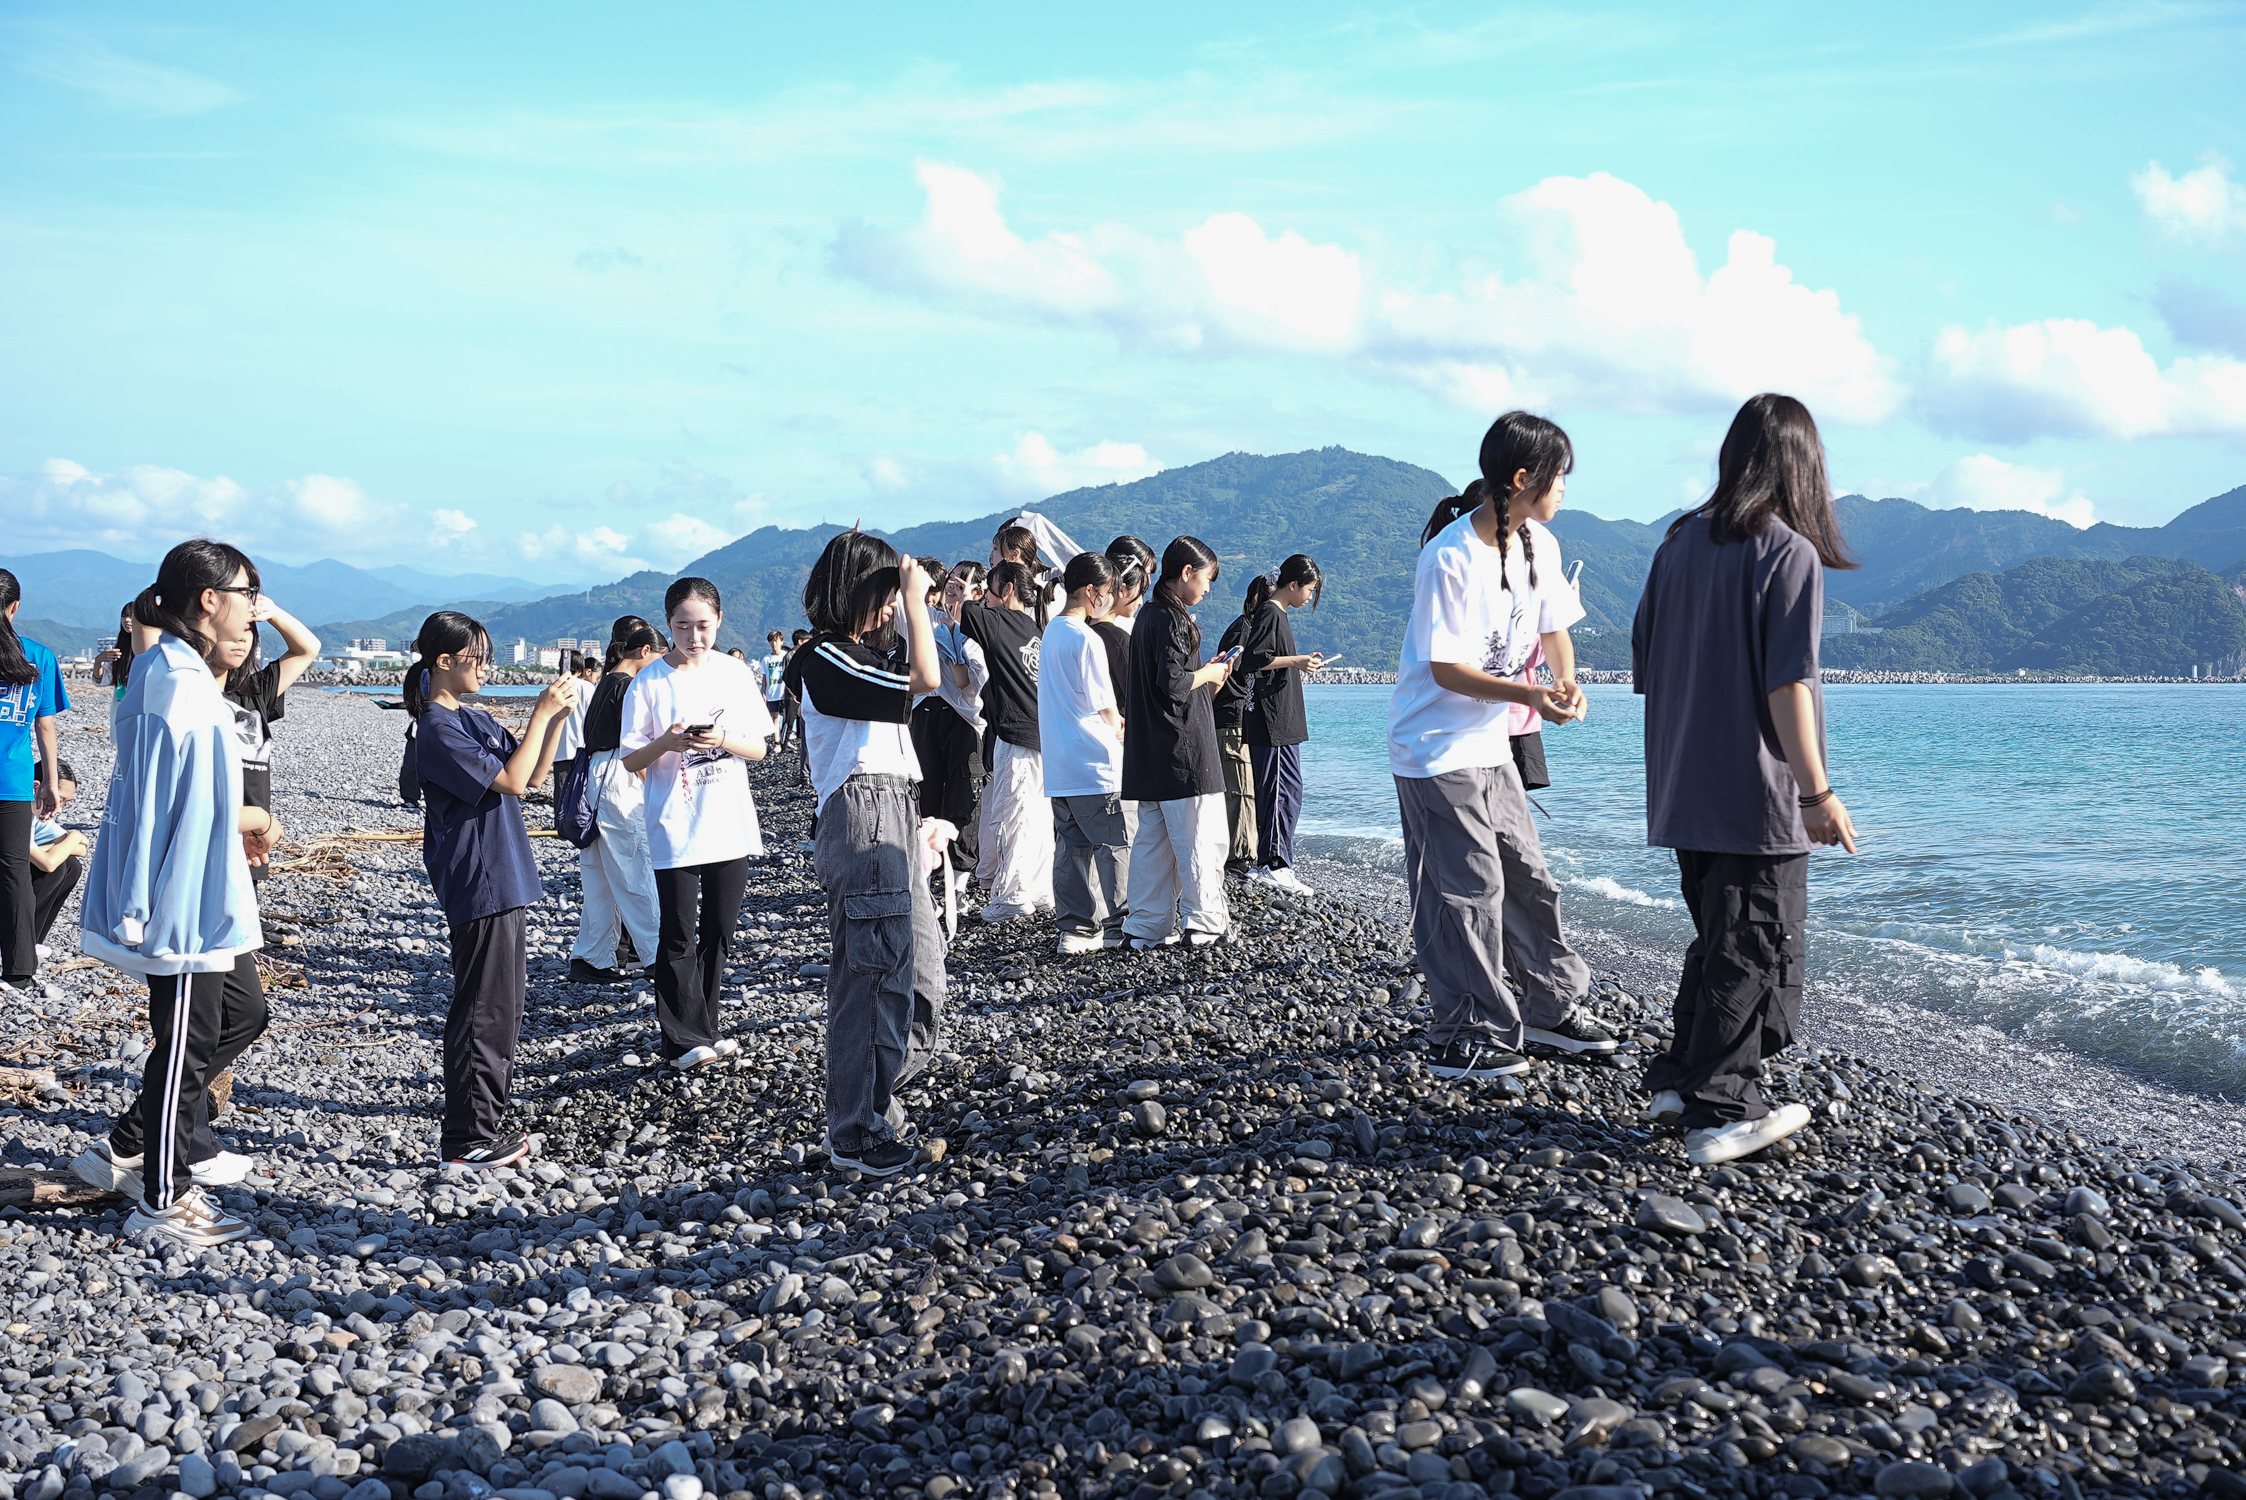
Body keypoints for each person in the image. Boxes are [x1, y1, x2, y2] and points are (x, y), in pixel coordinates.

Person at [1633, 393, 1858, 1165]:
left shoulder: (1676, 546)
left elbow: (1648, 667)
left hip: (1681, 787)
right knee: (1756, 948)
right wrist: (1816, 793)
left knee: (1719, 941)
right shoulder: (1786, 553)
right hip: (1756, 795)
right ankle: (1722, 1110)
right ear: (1803, 466)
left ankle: (1680, 1080)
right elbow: (1787, 684)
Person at [1387, 412, 1622, 1082]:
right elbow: (1447, 669)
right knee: (1466, 889)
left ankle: (1550, 1006)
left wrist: (1565, 682)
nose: (1565, 489)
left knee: (1529, 878)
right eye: (1559, 477)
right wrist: (1531, 697)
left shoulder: (1538, 544)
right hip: (1434, 747)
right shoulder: (1450, 557)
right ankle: (1464, 1032)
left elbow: (1554, 628)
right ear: (1522, 479)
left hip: (1489, 743)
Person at [72, 541, 279, 1245]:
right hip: (185, 891)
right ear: (209, 599)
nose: (254, 609)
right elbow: (168, 801)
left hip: (206, 881)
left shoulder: (174, 670)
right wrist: (253, 820)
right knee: (188, 1040)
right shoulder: (177, 682)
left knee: (243, 1012)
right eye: (247, 593)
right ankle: (163, 1196)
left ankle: (130, 1142)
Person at [787, 533, 944, 1177]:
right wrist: (917, 602)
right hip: (863, 811)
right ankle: (855, 1127)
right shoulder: (824, 656)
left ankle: (875, 1099)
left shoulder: (859, 657)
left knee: (922, 975)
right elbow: (928, 679)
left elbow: (925, 680)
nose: (891, 608)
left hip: (892, 808)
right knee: (874, 975)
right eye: (884, 595)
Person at [406, 610, 578, 1168]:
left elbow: (533, 776)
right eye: (477, 658)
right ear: (444, 661)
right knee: (483, 1007)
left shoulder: (472, 719)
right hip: (478, 878)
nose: (486, 667)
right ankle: (467, 1137)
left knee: (502, 1006)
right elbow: (509, 780)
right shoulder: (437, 728)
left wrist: (554, 722)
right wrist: (540, 712)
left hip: (502, 874)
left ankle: (483, 1126)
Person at [620, 578, 773, 1070]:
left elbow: (760, 747)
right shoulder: (649, 681)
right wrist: (667, 743)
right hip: (675, 823)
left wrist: (721, 737)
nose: (694, 637)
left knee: (720, 930)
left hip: (729, 822)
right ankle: (681, 1039)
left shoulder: (734, 672)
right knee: (678, 931)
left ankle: (703, 1027)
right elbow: (630, 760)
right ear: (668, 624)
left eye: (703, 626)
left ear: (720, 621)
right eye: (682, 626)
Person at [1121, 537, 1234, 948]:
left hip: (1150, 753)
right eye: (1207, 578)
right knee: (1198, 838)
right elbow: (1173, 685)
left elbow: (1163, 681)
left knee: (1152, 845)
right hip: (1183, 750)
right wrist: (1210, 674)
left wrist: (1201, 673)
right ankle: (1203, 922)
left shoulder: (1148, 614)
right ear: (1187, 572)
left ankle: (1144, 927)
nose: (1208, 588)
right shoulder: (1171, 618)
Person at [1041, 553, 1131, 955]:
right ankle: (1120, 925)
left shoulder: (1051, 631)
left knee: (1070, 849)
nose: (1110, 599)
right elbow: (1104, 705)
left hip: (1060, 762)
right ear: (1092, 591)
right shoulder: (1086, 638)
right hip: (1094, 760)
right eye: (1108, 592)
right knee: (1114, 846)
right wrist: (1120, 727)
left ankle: (1076, 929)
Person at [568, 619, 666, 986]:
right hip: (617, 776)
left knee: (600, 874)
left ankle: (592, 957)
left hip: (596, 774)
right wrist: (654, 785)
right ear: (644, 651)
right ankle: (659, 954)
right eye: (658, 658)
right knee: (633, 864)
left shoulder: (607, 682)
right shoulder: (627, 686)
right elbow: (633, 747)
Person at [960, 560, 1051, 921]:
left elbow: (966, 612)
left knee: (1012, 814)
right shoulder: (1033, 626)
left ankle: (1013, 895)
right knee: (1038, 815)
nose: (986, 593)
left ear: (1008, 588)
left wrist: (967, 592)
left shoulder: (997, 620)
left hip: (1015, 732)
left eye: (991, 586)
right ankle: (1039, 888)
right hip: (1043, 733)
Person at [1240, 555, 1328, 895]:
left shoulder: (1276, 614)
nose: (1309, 596)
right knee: (1282, 791)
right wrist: (1297, 661)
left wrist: (1297, 661)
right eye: (1310, 589)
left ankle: (1270, 862)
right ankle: (1275, 865)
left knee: (1283, 790)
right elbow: (1253, 660)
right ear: (1292, 584)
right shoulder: (1271, 613)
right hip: (1274, 721)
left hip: (1278, 721)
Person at [0, 568, 69, 991]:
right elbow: (45, 726)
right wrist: (50, 782)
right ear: (15, 607)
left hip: (14, 780)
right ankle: (20, 968)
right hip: (13, 778)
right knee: (13, 871)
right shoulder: (39, 656)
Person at [223, 596, 322, 888]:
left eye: (248, 631)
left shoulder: (255, 691)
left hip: (253, 841)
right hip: (210, 834)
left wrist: (274, 612)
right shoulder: (190, 694)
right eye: (232, 631)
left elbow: (307, 648)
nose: (242, 639)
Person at [912, 563, 988, 874]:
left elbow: (966, 682)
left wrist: (959, 623)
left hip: (966, 717)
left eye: (961, 583)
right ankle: (926, 865)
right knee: (926, 789)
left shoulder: (981, 625)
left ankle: (959, 873)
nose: (953, 586)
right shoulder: (930, 619)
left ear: (979, 592)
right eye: (951, 581)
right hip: (925, 711)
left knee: (963, 793)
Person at [1212, 584, 1259, 879]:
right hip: (1232, 719)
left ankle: (1241, 851)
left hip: (1236, 718)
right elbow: (1226, 673)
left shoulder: (1247, 628)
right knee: (1240, 789)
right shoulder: (1243, 630)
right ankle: (1239, 855)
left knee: (1241, 787)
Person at [27, 760, 85, 963]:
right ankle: (15, 941)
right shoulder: (14, 812)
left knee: (71, 866)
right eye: (59, 800)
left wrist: (71, 839)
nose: (59, 809)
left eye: (65, 803)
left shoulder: (37, 815)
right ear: (37, 788)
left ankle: (31, 940)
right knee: (57, 866)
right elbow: (49, 863)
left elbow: (82, 847)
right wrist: (74, 835)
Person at [549, 651, 602, 790]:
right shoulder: (587, 687)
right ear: (580, 668)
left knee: (561, 793)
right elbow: (594, 717)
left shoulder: (554, 688)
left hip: (559, 749)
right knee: (579, 793)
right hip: (580, 747)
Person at [759, 630, 789, 745]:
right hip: (772, 693)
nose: (774, 644)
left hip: (784, 692)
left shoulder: (786, 656)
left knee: (787, 718)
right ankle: (777, 743)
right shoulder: (766, 659)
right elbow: (764, 677)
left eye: (776, 641)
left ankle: (786, 741)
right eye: (771, 641)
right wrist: (763, 692)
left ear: (781, 642)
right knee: (775, 718)